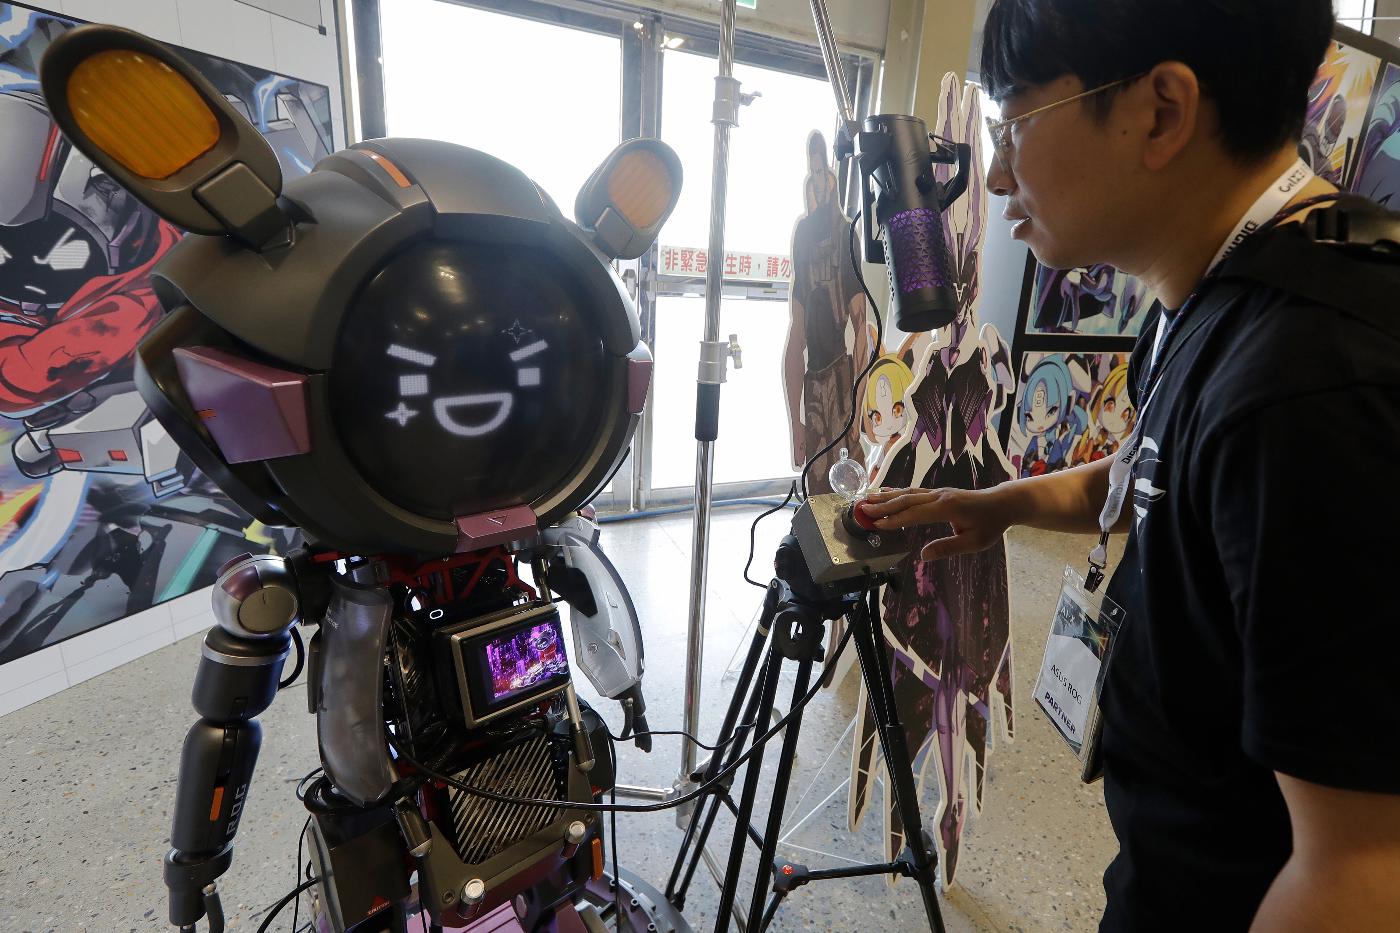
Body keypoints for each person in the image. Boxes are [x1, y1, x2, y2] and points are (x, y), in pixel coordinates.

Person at [861, 1, 1400, 930]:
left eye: (1013, 125)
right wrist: (1002, 504)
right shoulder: (1225, 288)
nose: (994, 175)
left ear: (1161, 112)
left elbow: (1362, 871)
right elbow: (1156, 464)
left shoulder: (1314, 387)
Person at [784, 129, 868, 494]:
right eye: (812, 178)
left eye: (822, 176)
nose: (817, 187)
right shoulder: (804, 236)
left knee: (850, 483)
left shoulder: (846, 234)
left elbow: (863, 327)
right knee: (818, 486)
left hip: (842, 375)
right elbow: (796, 336)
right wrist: (796, 425)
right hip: (815, 381)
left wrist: (858, 407)